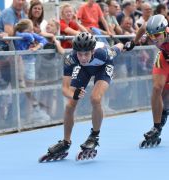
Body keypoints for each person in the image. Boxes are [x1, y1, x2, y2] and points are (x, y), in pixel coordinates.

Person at [39, 32, 124, 162]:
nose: (83, 58)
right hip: (84, 70)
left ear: (92, 51)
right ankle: (66, 142)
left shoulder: (103, 53)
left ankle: (94, 136)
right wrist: (74, 94)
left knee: (95, 98)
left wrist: (127, 44)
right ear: (75, 52)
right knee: (70, 104)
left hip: (103, 67)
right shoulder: (71, 59)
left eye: (86, 54)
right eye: (80, 54)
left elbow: (118, 46)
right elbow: (64, 89)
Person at [124, 14, 169, 148]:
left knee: (166, 96)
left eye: (157, 35)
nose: (154, 39)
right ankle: (156, 127)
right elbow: (143, 27)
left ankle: (164, 112)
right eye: (151, 36)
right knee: (157, 88)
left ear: (165, 31)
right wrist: (134, 42)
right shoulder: (150, 28)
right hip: (163, 57)